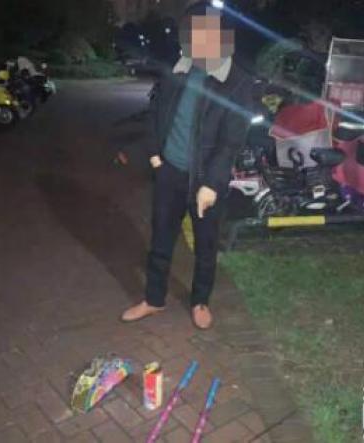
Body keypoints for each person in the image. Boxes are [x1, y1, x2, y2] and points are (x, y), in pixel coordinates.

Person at [121, 1, 253, 329]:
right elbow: (156, 112)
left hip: (206, 179)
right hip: (170, 171)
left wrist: (212, 183)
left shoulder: (236, 81)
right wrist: (155, 156)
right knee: (160, 239)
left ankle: (200, 301)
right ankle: (154, 299)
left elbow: (231, 141)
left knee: (205, 245)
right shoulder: (177, 68)